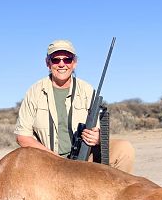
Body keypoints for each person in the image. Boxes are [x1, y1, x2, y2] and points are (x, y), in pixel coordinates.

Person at [14, 39, 135, 173]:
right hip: (48, 162)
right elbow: (22, 137)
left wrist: (98, 138)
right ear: (47, 63)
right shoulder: (34, 92)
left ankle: (116, 193)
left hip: (84, 157)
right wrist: (55, 159)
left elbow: (98, 130)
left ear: (74, 63)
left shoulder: (87, 90)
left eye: (67, 59)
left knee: (124, 149)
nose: (61, 64)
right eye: (55, 60)